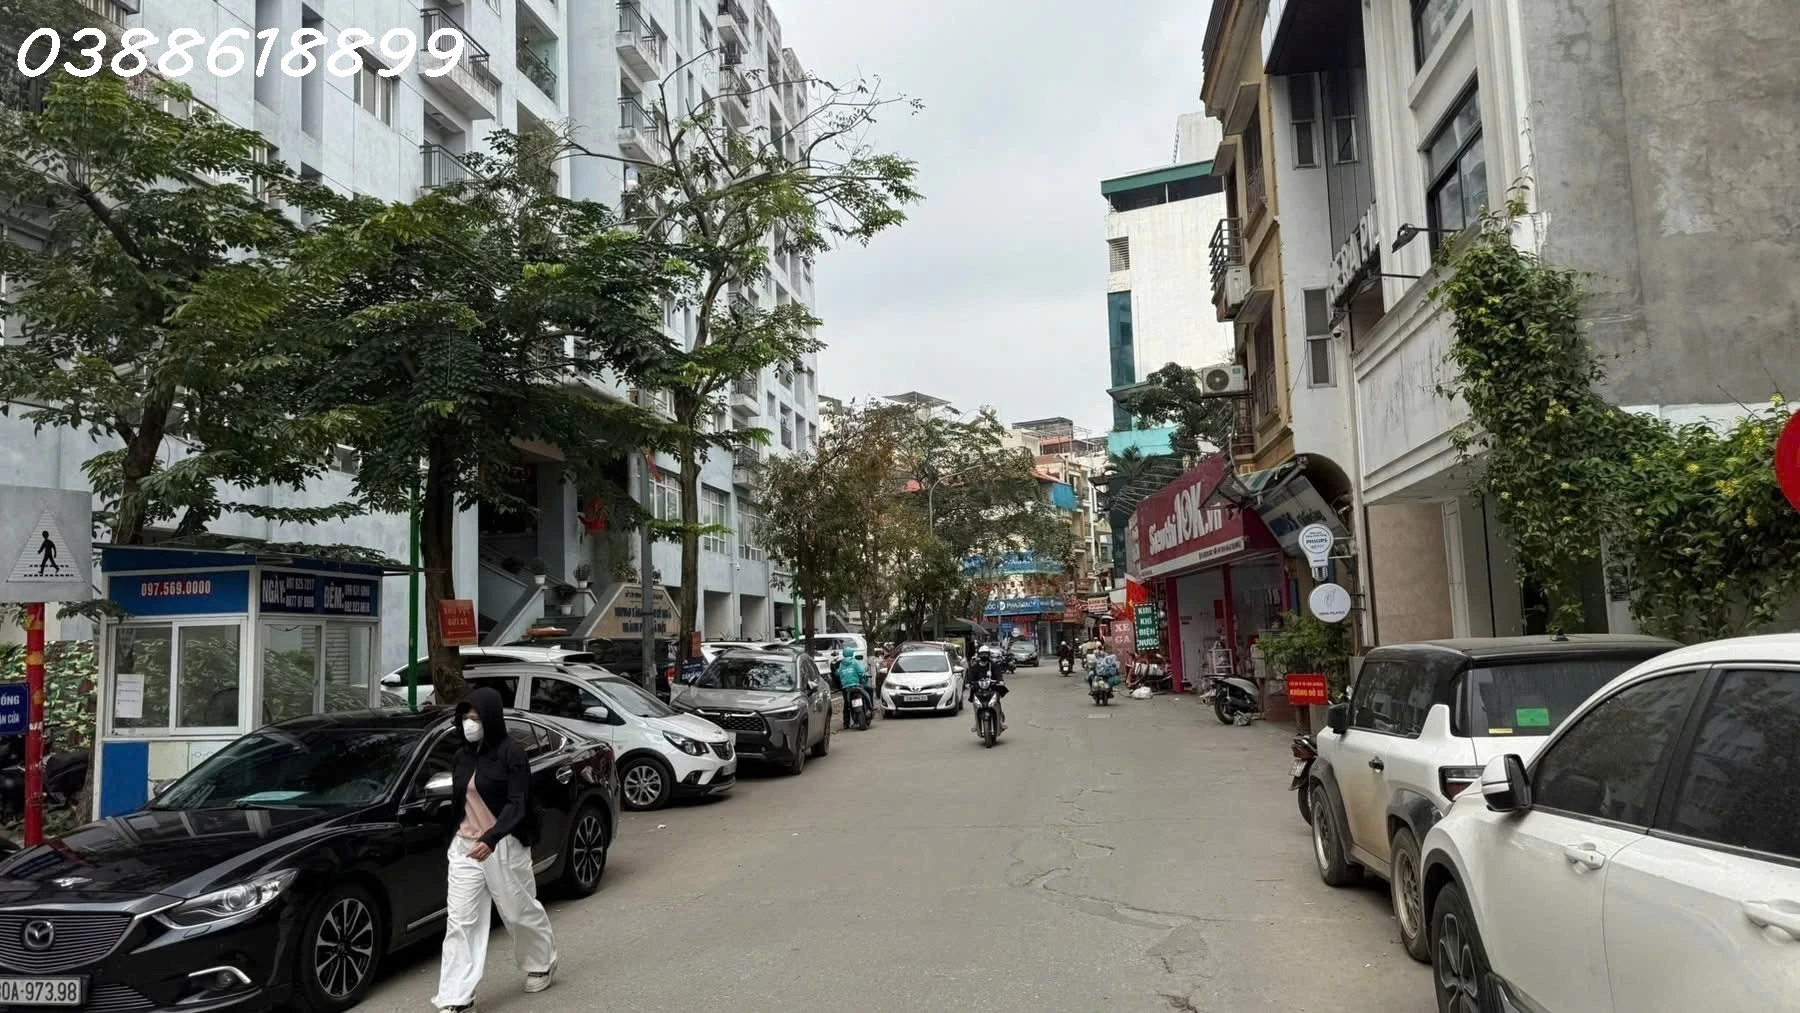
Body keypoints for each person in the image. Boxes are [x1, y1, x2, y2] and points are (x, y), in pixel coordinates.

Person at [434, 687, 558, 1013]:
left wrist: (492, 837)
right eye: (465, 717)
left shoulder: (511, 754)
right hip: (465, 847)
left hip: (503, 844)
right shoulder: (461, 757)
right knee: (461, 922)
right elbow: (459, 801)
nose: (469, 724)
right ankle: (457, 998)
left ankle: (541, 962)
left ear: (490, 719)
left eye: (476, 718)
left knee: (517, 911)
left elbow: (518, 803)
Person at [966, 645, 1008, 731]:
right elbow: (970, 677)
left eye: (986, 654)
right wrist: (969, 683)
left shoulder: (993, 665)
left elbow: (998, 675)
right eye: (982, 654)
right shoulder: (975, 667)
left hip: (992, 687)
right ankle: (976, 721)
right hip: (979, 688)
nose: (984, 656)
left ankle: (1000, 720)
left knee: (997, 699)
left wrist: (1000, 681)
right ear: (979, 655)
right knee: (975, 702)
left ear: (989, 655)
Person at [834, 646, 870, 728]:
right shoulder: (854, 662)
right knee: (868, 693)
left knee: (846, 705)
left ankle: (846, 724)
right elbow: (861, 672)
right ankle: (870, 708)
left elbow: (837, 674)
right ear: (852, 653)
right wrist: (863, 676)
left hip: (845, 688)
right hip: (856, 685)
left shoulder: (841, 664)